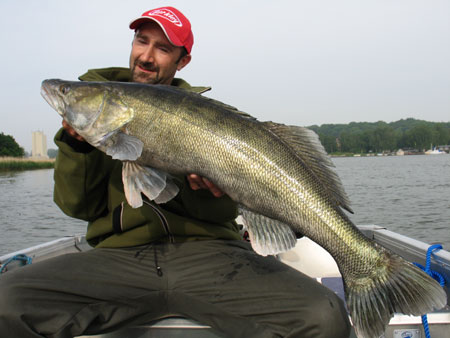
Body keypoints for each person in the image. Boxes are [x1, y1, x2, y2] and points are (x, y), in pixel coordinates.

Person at [0, 6, 350, 338]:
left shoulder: (209, 120)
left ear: (182, 60)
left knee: (324, 316)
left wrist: (212, 192)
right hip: (120, 259)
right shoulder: (103, 114)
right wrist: (76, 147)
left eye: (163, 48)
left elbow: (234, 212)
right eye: (142, 41)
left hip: (212, 257)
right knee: (5, 303)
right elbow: (77, 208)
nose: (147, 56)